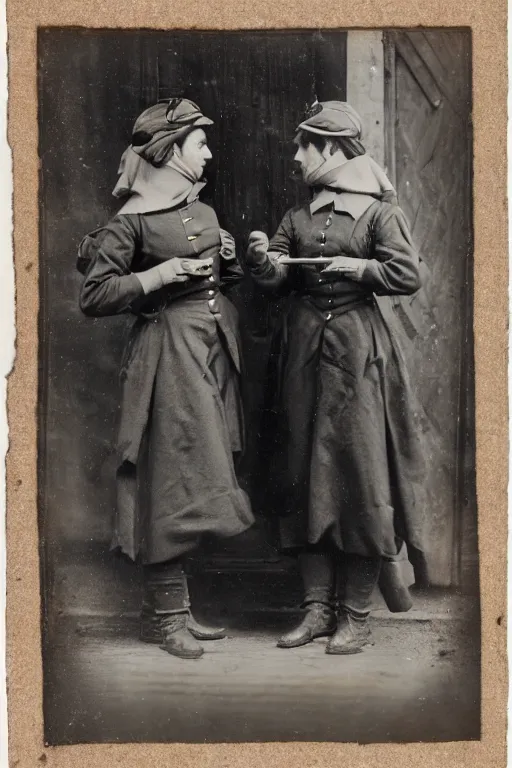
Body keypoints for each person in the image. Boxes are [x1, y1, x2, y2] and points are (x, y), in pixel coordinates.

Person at [244, 101, 427, 655]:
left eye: (305, 147)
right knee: (302, 474)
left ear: (331, 150)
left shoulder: (378, 215)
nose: (297, 157)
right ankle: (315, 610)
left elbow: (408, 273)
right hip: (302, 354)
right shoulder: (297, 217)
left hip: (357, 355)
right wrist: (259, 259)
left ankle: (355, 614)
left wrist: (363, 269)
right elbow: (276, 273)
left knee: (359, 476)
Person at [77, 98, 254, 659]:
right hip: (166, 358)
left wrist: (230, 262)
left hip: (209, 354)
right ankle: (162, 618)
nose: (209, 153)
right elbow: (96, 295)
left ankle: (176, 610)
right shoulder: (130, 219)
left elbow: (218, 284)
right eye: (200, 143)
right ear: (172, 151)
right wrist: (156, 274)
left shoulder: (201, 211)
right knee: (169, 480)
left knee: (198, 476)